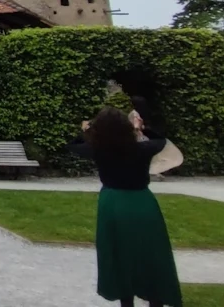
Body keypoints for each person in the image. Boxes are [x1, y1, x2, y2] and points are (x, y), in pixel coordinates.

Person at [69, 106, 182, 307]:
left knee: (119, 254)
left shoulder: (97, 149)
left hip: (112, 204)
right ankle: (155, 300)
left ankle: (126, 302)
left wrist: (88, 129)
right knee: (151, 254)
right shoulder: (142, 149)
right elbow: (161, 140)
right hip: (142, 202)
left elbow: (74, 145)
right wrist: (140, 128)